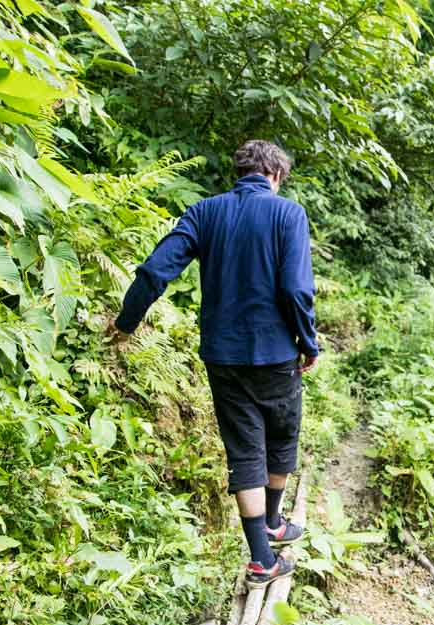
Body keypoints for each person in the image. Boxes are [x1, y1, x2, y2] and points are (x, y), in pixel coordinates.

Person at [106, 140, 319, 589]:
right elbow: (297, 290)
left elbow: (155, 270)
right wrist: (308, 342)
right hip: (277, 352)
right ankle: (274, 522)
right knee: (282, 436)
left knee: (244, 451)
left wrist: (127, 321)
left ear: (240, 173)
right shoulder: (288, 215)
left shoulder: (204, 213)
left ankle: (263, 555)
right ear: (276, 175)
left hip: (223, 356)